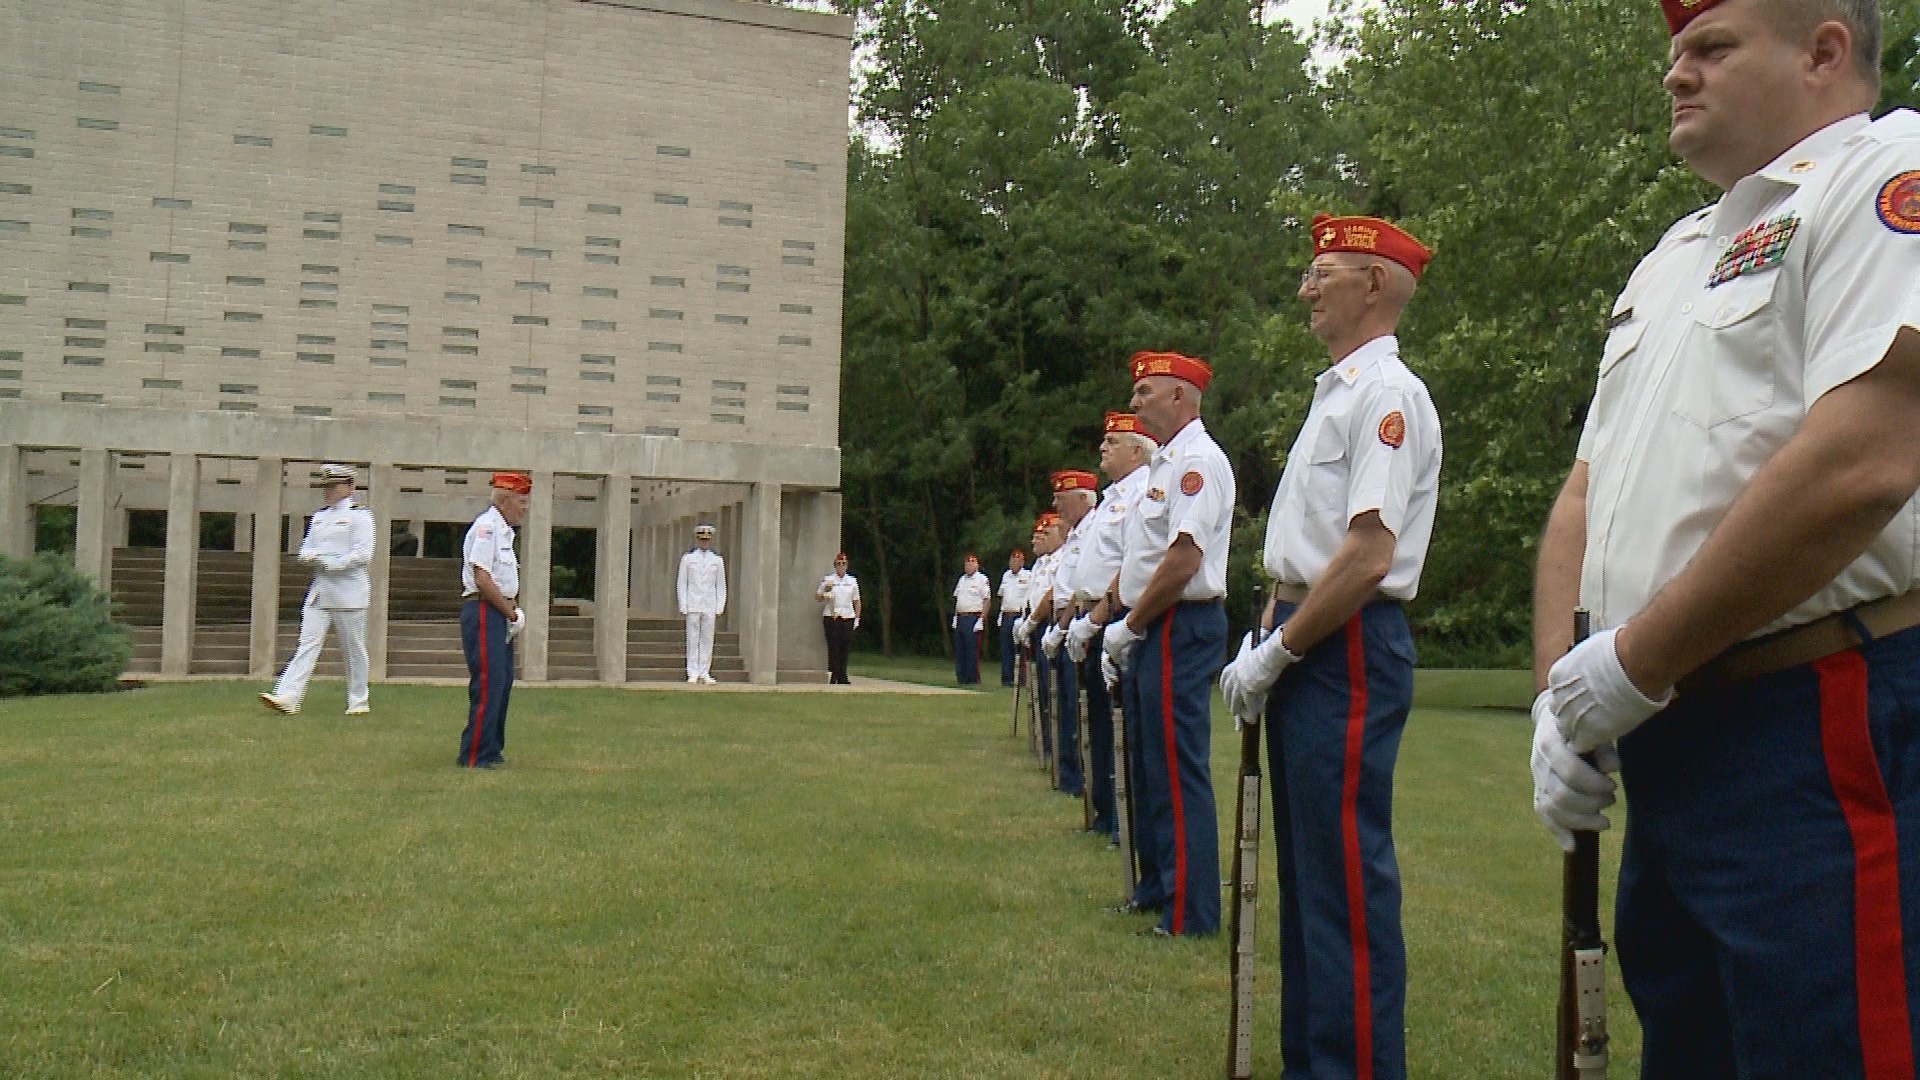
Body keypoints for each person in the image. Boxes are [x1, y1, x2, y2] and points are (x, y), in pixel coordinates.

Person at [1527, 2, 1920, 1074]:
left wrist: (1631, 661)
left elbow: (1868, 457)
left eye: (1711, 49)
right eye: (1673, 55)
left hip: (1810, 713)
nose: (1676, 75)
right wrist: (1558, 701)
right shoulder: (1674, 257)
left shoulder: (1887, 177)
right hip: (1669, 725)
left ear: (1824, 52)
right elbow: (1582, 498)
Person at [1219, 214, 1440, 1080]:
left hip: (1340, 641)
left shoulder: (1387, 396)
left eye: (1325, 272)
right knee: (1310, 879)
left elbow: (1366, 555)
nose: (1306, 287)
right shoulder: (1339, 394)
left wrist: (1278, 652)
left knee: (1343, 884)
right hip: (1308, 632)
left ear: (1375, 284)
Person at [1099, 351, 1235, 938]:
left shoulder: (1196, 463)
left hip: (1180, 622)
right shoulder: (1165, 464)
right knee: (1153, 765)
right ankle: (1158, 887)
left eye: (1146, 392)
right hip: (1157, 622)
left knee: (1178, 771)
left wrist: (1130, 626)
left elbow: (1183, 560)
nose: (1134, 403)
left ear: (1180, 397)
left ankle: (1191, 912)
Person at [1067, 414, 1158, 842]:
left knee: (1120, 722)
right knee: (1101, 722)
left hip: (1116, 614)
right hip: (1094, 615)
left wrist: (1098, 617)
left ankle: (1124, 818)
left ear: (1137, 450)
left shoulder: (1141, 492)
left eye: (1113, 441)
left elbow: (1130, 564)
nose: (1103, 448)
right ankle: (1106, 807)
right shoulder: (1112, 497)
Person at [260, 463, 375, 716]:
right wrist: (314, 558)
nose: (328, 491)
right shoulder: (320, 517)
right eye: (326, 487)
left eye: (333, 486)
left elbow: (363, 554)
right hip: (321, 591)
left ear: (350, 487)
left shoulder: (360, 516)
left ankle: (358, 700)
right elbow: (306, 549)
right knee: (307, 644)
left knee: (353, 649)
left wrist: (333, 562)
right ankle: (288, 696)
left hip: (348, 592)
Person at [457, 471, 529, 770]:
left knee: (502, 681)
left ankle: (491, 748)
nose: (524, 508)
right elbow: (482, 577)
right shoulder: (487, 528)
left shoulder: (504, 532)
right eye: (521, 501)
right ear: (504, 499)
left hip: (497, 612)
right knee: (489, 682)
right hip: (486, 609)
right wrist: (510, 612)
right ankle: (475, 754)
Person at [1044, 470, 1098, 800]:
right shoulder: (1077, 536)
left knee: (1080, 708)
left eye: (1061, 500)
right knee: (1065, 705)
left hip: (1080, 619)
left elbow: (1080, 590)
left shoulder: (1092, 530)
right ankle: (1070, 776)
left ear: (1082, 499)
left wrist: (1064, 626)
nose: (1056, 506)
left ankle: (1080, 777)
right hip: (1065, 620)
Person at [677, 522, 727, 685]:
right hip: (693, 602)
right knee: (692, 638)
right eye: (701, 540)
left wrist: (720, 605)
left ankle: (704, 671)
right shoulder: (688, 559)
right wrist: (683, 603)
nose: (704, 542)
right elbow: (682, 582)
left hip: (709, 604)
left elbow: (720, 584)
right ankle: (692, 672)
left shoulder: (717, 560)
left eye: (706, 540)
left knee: (707, 639)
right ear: (697, 540)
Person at [817, 554, 860, 685]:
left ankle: (843, 675)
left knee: (844, 647)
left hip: (847, 616)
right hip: (832, 616)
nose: (841, 566)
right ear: (835, 566)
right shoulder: (829, 580)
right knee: (833, 646)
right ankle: (834, 675)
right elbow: (818, 596)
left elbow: (857, 601)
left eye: (843, 564)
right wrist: (825, 595)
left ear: (846, 565)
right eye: (838, 564)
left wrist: (857, 618)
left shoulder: (852, 581)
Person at [951, 553, 992, 685]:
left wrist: (981, 619)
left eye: (971, 564)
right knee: (960, 650)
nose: (968, 566)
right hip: (961, 617)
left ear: (977, 565)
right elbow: (958, 599)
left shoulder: (981, 579)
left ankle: (972, 679)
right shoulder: (962, 579)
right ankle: (961, 678)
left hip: (973, 617)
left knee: (971, 650)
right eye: (966, 564)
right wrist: (956, 617)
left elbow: (986, 600)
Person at [997, 549, 1030, 687]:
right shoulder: (1006, 576)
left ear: (1022, 562)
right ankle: (1007, 677)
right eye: (1012, 560)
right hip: (1006, 614)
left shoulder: (1028, 575)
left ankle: (1020, 679)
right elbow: (1002, 596)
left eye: (1017, 561)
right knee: (1006, 648)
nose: (1014, 563)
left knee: (1020, 649)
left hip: (1019, 615)